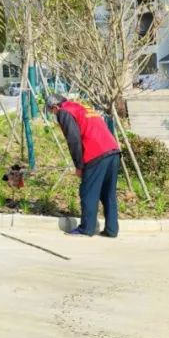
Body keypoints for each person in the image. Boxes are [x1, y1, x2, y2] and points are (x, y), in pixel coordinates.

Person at [47, 94, 122, 238]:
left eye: (52, 112)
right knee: (108, 193)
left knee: (88, 192)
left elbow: (73, 140)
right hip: (113, 151)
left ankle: (86, 229)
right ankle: (112, 230)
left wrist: (79, 166)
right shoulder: (79, 107)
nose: (53, 115)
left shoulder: (64, 112)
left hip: (96, 154)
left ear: (55, 107)